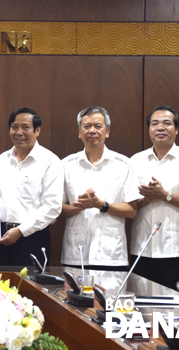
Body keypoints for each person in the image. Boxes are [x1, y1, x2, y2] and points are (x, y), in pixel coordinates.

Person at [0, 107, 63, 267]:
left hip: (31, 238)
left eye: (25, 127)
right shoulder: (3, 158)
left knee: (29, 289)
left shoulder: (50, 161)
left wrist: (20, 231)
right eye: (14, 127)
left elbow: (53, 207)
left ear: (37, 130)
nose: (19, 132)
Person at [130, 105, 179, 291]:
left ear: (176, 129)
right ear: (149, 129)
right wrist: (147, 199)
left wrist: (166, 196)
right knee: (142, 308)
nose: (160, 128)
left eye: (167, 123)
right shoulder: (135, 161)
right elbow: (129, 207)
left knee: (174, 310)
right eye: (155, 123)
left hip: (177, 249)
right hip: (142, 248)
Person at [60, 106, 140, 271]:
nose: (92, 131)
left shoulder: (124, 164)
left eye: (98, 126)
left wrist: (102, 205)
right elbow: (56, 208)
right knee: (72, 297)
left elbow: (132, 210)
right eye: (87, 126)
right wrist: (78, 207)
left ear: (107, 131)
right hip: (75, 254)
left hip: (111, 255)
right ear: (79, 132)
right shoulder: (66, 165)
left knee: (110, 297)